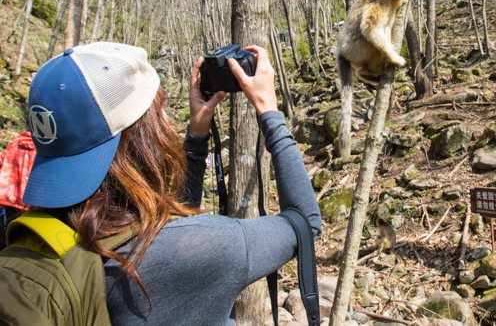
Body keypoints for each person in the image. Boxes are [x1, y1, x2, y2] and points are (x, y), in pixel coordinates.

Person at [21, 42, 321, 325]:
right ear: (142, 133)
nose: (165, 119)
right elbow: (305, 224)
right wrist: (269, 112)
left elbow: (168, 224)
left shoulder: (30, 243)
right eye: (159, 109)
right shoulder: (204, 246)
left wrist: (197, 137)